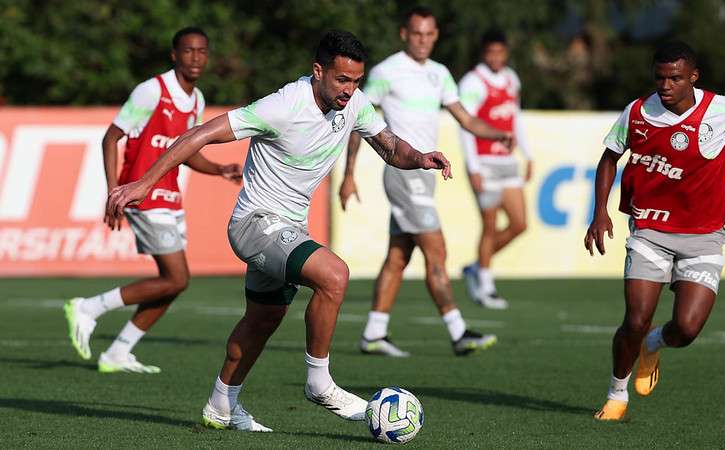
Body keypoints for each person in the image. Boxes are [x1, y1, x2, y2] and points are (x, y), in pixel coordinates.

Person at [106, 30, 454, 432]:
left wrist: (420, 158)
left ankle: (221, 405)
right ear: (318, 71)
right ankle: (319, 382)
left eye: (356, 81)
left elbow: (391, 148)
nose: (349, 90)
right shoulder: (283, 105)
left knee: (263, 318)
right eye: (342, 80)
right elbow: (198, 135)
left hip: (287, 227)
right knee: (334, 275)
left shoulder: (355, 104)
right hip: (255, 223)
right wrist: (144, 183)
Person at [586, 41, 725, 421]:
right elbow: (610, 158)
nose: (665, 85)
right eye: (660, 77)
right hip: (650, 230)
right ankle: (616, 394)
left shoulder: (724, 109)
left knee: (687, 329)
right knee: (636, 319)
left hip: (704, 236)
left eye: (675, 77)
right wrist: (600, 212)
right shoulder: (637, 112)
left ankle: (653, 344)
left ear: (693, 77)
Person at [64, 27, 242, 373]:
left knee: (170, 284)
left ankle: (118, 352)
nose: (196, 58)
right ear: (174, 55)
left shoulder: (197, 100)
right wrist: (114, 190)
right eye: (188, 51)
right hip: (142, 195)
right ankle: (89, 307)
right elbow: (110, 138)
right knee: (177, 278)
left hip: (170, 196)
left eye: (202, 51)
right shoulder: (151, 91)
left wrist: (220, 169)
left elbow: (185, 153)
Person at [339, 6, 512, 358]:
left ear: (436, 36)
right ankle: (458, 331)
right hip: (403, 175)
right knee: (437, 251)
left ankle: (374, 333)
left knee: (398, 256)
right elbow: (360, 120)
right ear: (405, 34)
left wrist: (497, 133)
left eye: (429, 34)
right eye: (417, 33)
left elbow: (465, 118)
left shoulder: (440, 74)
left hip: (425, 176)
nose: (423, 40)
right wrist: (349, 174)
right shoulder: (387, 71)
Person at [458, 30, 534, 310]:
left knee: (519, 224)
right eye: (491, 52)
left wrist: (528, 154)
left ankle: (476, 267)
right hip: (484, 163)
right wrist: (473, 166)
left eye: (500, 52)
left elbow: (516, 119)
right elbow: (465, 126)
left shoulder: (512, 79)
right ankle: (486, 287)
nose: (496, 58)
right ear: (483, 53)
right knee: (489, 226)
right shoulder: (472, 82)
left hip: (507, 163)